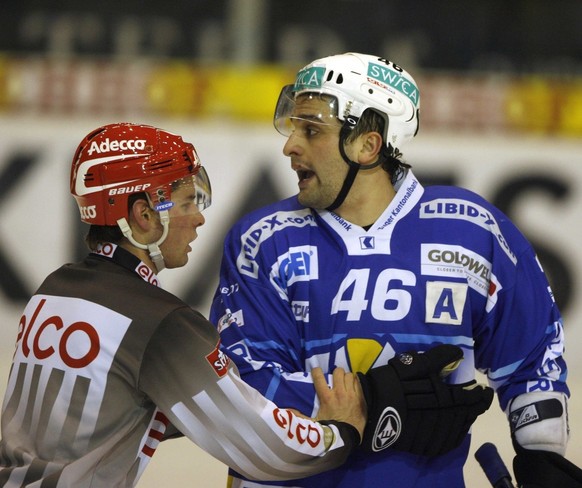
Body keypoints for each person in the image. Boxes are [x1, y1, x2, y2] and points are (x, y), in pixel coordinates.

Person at [209, 53, 576, 487]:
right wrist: (377, 401)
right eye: (293, 128)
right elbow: (243, 389)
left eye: (311, 130)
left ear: (368, 144)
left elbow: (532, 356)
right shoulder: (262, 240)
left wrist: (542, 459)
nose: (290, 146)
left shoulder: (472, 230)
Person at [0, 122, 369, 487]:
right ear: (143, 216)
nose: (198, 218)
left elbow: (101, 411)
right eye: (188, 201)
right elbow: (261, 446)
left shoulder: (55, 289)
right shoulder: (161, 323)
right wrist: (339, 432)